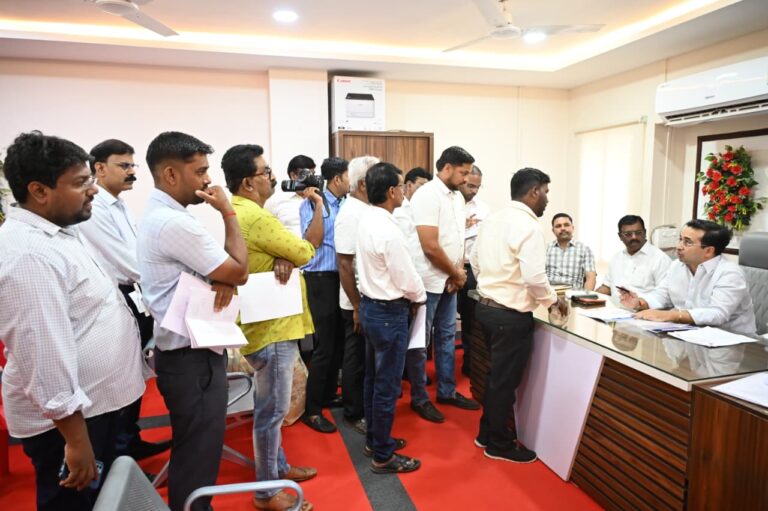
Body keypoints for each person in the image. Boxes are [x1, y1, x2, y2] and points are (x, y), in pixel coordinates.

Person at [0, 131, 145, 511]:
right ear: (39, 191)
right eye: (81, 182)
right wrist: (76, 440)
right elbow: (43, 356)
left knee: (103, 500)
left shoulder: (61, 232)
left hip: (94, 408)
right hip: (68, 426)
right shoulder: (28, 255)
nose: (93, 190)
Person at [137, 131, 249, 511]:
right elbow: (239, 270)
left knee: (195, 449)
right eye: (200, 171)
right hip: (190, 357)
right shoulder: (173, 222)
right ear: (171, 174)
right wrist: (228, 212)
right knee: (198, 453)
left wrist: (222, 277)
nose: (208, 180)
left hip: (187, 351)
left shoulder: (162, 215)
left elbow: (225, 272)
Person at [221, 144, 319, 511]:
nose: (272, 177)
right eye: (265, 172)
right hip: (273, 327)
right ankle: (265, 493)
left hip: (265, 323)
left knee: (271, 409)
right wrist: (290, 254)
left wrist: (283, 256)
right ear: (248, 182)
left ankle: (278, 468)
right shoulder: (257, 217)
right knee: (271, 413)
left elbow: (285, 254)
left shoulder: (240, 211)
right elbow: (305, 251)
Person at [77, 139, 170, 462]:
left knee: (135, 374)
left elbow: (138, 252)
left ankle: (131, 441)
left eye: (133, 165)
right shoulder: (96, 209)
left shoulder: (119, 204)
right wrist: (166, 281)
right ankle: (119, 455)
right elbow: (127, 260)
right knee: (121, 378)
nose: (131, 172)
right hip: (115, 296)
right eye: (124, 165)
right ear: (99, 168)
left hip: (135, 294)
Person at [471, 167, 568, 464]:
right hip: (509, 317)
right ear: (534, 191)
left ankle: (486, 433)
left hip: (485, 308)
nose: (547, 200)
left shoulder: (492, 219)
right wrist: (553, 301)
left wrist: (493, 284)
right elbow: (535, 277)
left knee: (495, 377)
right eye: (546, 193)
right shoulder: (529, 226)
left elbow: (474, 260)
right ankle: (499, 445)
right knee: (504, 382)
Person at [357, 162, 426, 474]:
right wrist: (420, 297)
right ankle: (383, 456)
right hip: (389, 313)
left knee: (373, 380)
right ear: (391, 191)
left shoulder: (367, 219)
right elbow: (406, 278)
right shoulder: (388, 229)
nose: (404, 191)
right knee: (386, 386)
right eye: (401, 186)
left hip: (370, 308)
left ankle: (375, 440)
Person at [411, 146, 480, 414]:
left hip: (450, 280)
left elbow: (457, 240)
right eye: (463, 172)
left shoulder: (457, 198)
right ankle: (419, 398)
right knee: (421, 342)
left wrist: (457, 272)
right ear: (447, 168)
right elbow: (430, 245)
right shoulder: (427, 195)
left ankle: (447, 391)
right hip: (429, 280)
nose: (466, 178)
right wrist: (455, 272)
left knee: (447, 337)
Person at [619, 219, 756, 336]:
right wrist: (640, 303)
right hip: (690, 335)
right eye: (680, 239)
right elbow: (662, 295)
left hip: (731, 341)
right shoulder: (677, 266)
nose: (679, 247)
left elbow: (718, 314)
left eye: (687, 242)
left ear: (709, 251)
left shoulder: (729, 273)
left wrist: (672, 315)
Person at [298, 157, 350, 433]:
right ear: (337, 179)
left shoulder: (347, 204)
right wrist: (318, 204)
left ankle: (329, 394)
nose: (352, 181)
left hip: (342, 277)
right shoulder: (310, 203)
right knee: (324, 346)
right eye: (349, 176)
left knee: (339, 343)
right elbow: (312, 241)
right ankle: (313, 409)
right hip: (320, 279)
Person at [393, 167, 443, 423]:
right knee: (408, 344)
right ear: (408, 186)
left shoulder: (429, 211)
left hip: (427, 284)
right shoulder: (398, 213)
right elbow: (404, 255)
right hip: (405, 288)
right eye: (421, 185)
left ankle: (418, 394)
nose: (425, 191)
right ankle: (411, 393)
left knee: (419, 343)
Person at [334, 155, 379, 435]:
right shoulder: (351, 213)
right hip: (356, 301)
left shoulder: (366, 209)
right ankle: (354, 412)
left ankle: (363, 406)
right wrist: (357, 306)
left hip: (367, 298)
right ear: (363, 184)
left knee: (365, 357)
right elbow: (344, 263)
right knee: (356, 358)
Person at [457, 165, 489, 376]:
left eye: (478, 187)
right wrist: (463, 226)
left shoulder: (484, 209)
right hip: (446, 267)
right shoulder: (449, 204)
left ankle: (470, 361)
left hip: (472, 270)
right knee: (442, 321)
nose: (474, 191)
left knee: (471, 318)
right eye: (470, 186)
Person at [595, 215, 671, 304]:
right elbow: (607, 287)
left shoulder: (660, 259)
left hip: (642, 310)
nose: (634, 237)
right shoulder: (616, 258)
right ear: (620, 236)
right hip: (614, 309)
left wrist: (640, 304)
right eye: (628, 234)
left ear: (645, 233)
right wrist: (590, 297)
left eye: (638, 233)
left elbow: (666, 296)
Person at [265, 154, 316, 237]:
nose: (311, 179)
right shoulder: (275, 200)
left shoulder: (318, 199)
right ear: (293, 175)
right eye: (306, 175)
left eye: (313, 174)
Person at [545, 213, 597, 290]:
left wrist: (585, 296)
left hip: (574, 294)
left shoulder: (585, 250)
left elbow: (591, 279)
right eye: (558, 226)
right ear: (553, 230)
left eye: (566, 225)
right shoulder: (545, 249)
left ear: (572, 228)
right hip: (549, 294)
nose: (563, 228)